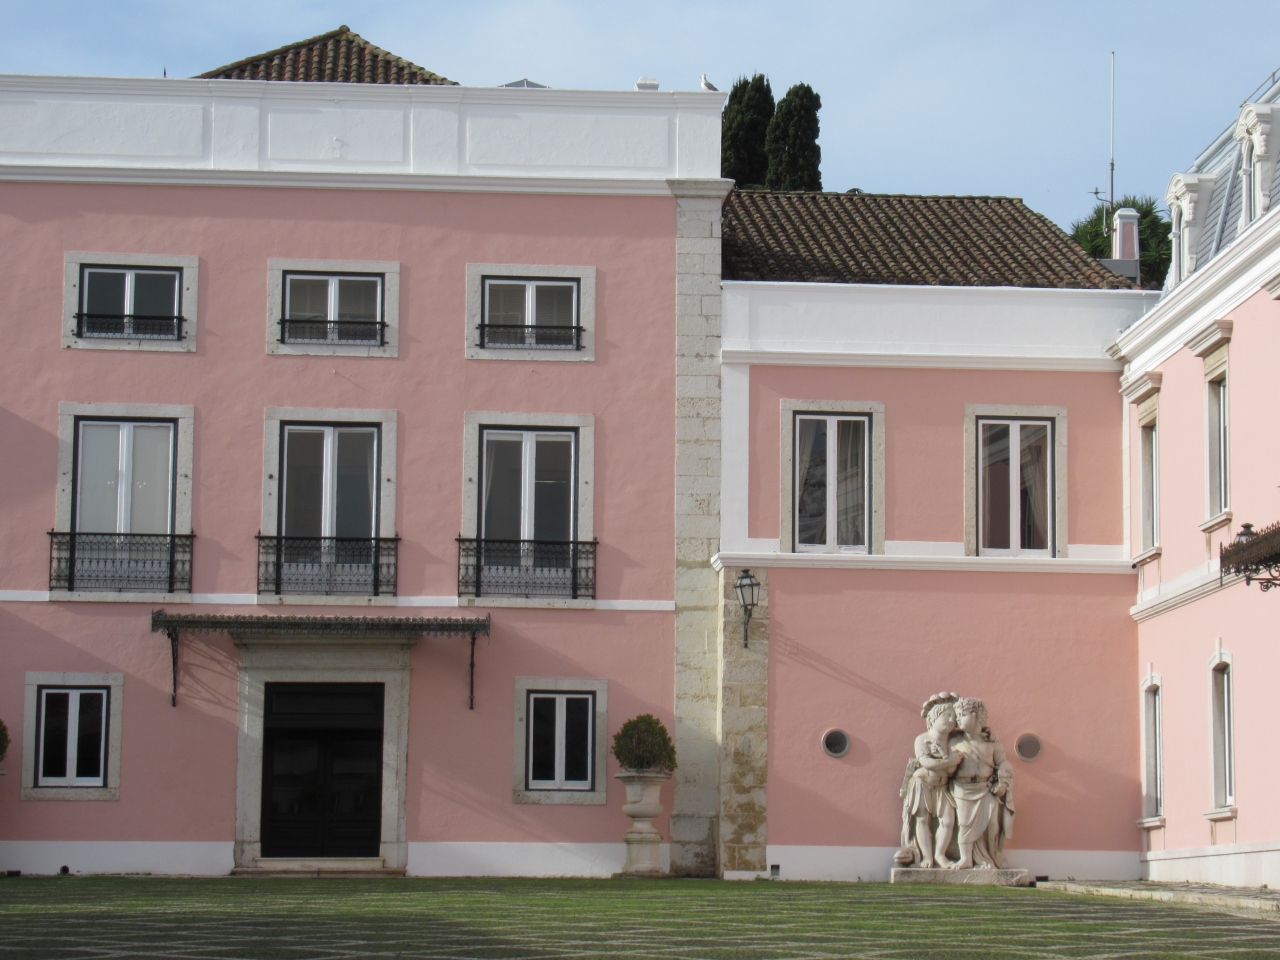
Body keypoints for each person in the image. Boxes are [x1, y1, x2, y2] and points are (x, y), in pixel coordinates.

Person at [947, 697, 1014, 869]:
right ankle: (965, 859)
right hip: (963, 789)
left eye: (962, 715)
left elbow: (1003, 763)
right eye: (957, 716)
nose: (958, 719)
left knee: (992, 824)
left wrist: (1003, 782)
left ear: (976, 715)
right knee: (964, 824)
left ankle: (994, 855)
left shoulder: (991, 743)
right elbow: (948, 766)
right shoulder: (955, 741)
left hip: (986, 789)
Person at [897, 693, 961, 868]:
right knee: (923, 820)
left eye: (953, 717)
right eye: (946, 716)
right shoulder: (922, 739)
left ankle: (940, 855)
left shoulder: (953, 742)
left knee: (948, 821)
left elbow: (952, 769)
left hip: (942, 786)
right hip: (922, 784)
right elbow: (927, 763)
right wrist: (949, 761)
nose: (951, 720)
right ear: (933, 718)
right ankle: (927, 857)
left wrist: (950, 764)